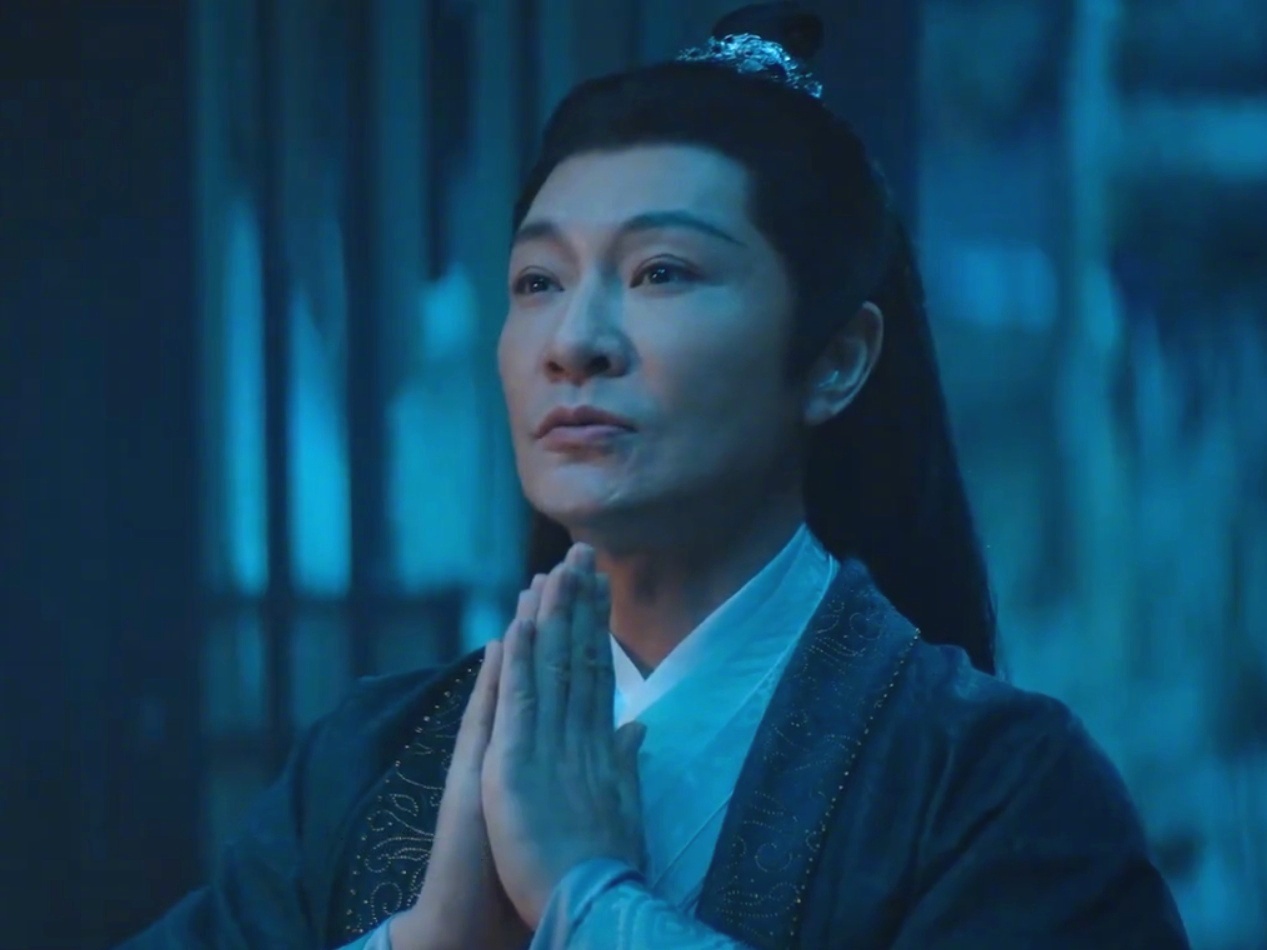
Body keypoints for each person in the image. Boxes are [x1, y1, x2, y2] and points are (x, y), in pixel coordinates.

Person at [119, 3, 1189, 948]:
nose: (573, 341)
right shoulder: (371, 760)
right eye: (537, 281)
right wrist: (429, 941)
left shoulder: (991, 785)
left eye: (661, 272)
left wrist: (587, 897)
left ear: (836, 359)